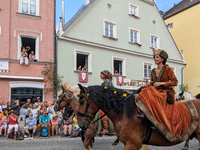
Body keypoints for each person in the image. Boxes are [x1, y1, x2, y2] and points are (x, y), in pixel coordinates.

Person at [138, 50, 191, 138]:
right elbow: (152, 83)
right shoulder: (153, 71)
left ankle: (158, 123)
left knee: (153, 96)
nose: (155, 58)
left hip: (165, 92)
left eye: (157, 57)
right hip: (156, 92)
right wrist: (146, 85)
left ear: (162, 59)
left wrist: (162, 83)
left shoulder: (168, 69)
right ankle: (146, 115)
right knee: (144, 92)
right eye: (154, 57)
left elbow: (175, 82)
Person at [99, 70, 113, 135]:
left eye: (101, 74)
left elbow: (107, 91)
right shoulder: (106, 82)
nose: (100, 75)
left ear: (104, 75)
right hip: (106, 99)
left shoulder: (107, 81)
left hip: (108, 100)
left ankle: (106, 128)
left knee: (102, 112)